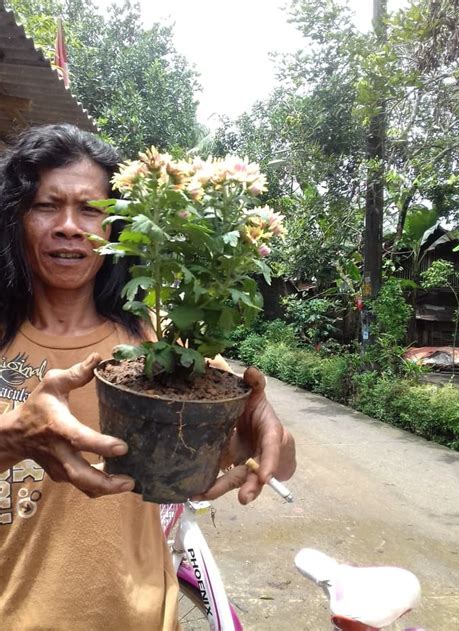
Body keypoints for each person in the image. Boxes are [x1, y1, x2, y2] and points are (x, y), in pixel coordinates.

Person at [0, 123, 296, 630]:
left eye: (91, 209)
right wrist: (14, 436)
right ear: (16, 217)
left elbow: (282, 465)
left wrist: (259, 430)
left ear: (116, 225)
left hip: (137, 614)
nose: (70, 226)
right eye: (46, 205)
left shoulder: (157, 344)